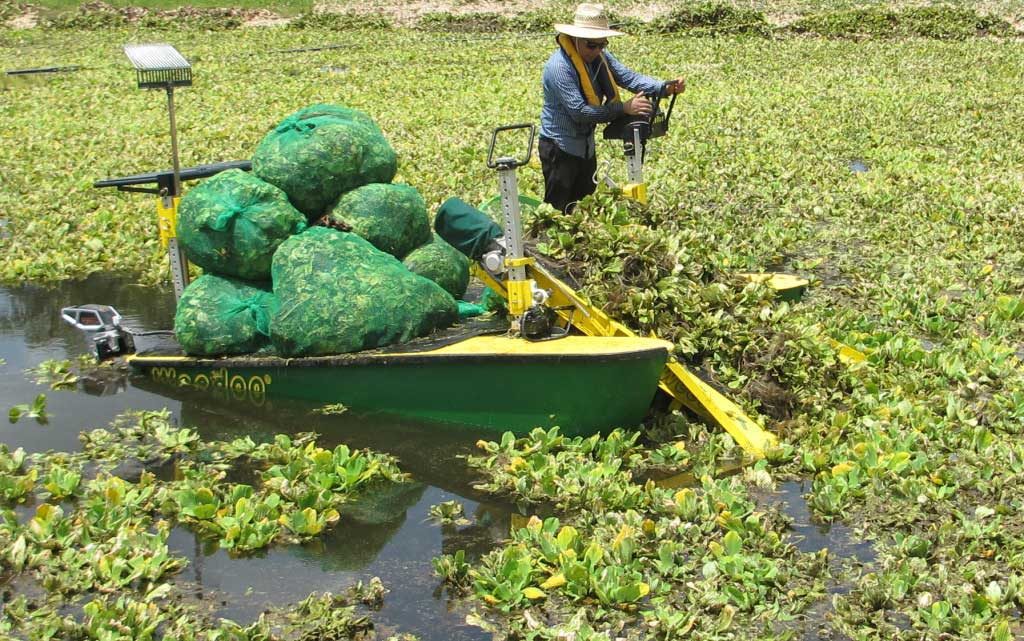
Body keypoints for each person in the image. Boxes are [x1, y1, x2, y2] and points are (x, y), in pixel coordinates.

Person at [539, 3, 685, 213]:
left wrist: (665, 87)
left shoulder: (599, 57)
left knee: (584, 205)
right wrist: (624, 108)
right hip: (560, 147)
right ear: (576, 39)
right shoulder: (559, 68)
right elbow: (580, 113)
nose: (598, 50)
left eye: (602, 44)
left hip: (586, 146)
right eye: (592, 45)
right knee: (557, 210)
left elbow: (628, 77)